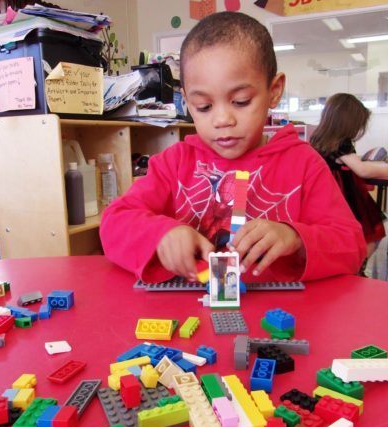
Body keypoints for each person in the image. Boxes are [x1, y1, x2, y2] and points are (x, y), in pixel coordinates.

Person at [100, 12, 366, 283]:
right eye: (203, 107)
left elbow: (352, 244)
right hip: (191, 313)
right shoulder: (173, 163)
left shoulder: (303, 164)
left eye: (240, 101)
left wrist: (295, 237)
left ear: (274, 91)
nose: (222, 120)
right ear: (187, 103)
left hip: (280, 315)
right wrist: (160, 234)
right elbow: (113, 223)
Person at [310, 93, 388, 258]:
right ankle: (356, 269)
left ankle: (351, 268)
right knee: (371, 235)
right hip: (344, 198)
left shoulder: (318, 139)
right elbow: (362, 170)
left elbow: (344, 161)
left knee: (339, 238)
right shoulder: (341, 142)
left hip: (324, 197)